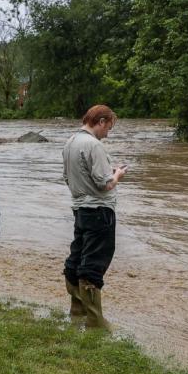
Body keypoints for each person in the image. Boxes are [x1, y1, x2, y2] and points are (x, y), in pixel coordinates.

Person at [62, 104, 127, 328]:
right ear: (100, 122)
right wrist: (117, 174)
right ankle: (95, 321)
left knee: (77, 258)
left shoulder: (70, 142)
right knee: (94, 263)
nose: (108, 133)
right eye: (108, 127)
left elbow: (67, 178)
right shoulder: (93, 145)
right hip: (100, 211)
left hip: (80, 209)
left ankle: (77, 311)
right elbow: (105, 184)